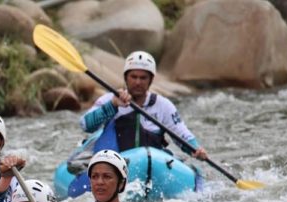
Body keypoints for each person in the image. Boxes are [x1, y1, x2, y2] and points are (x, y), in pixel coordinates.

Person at [80, 50, 208, 160]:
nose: (137, 82)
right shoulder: (110, 99)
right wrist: (113, 105)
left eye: (143, 78)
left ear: (151, 80)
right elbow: (85, 125)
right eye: (133, 77)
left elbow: (181, 133)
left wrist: (195, 149)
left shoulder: (163, 105)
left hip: (151, 163)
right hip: (115, 161)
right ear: (126, 78)